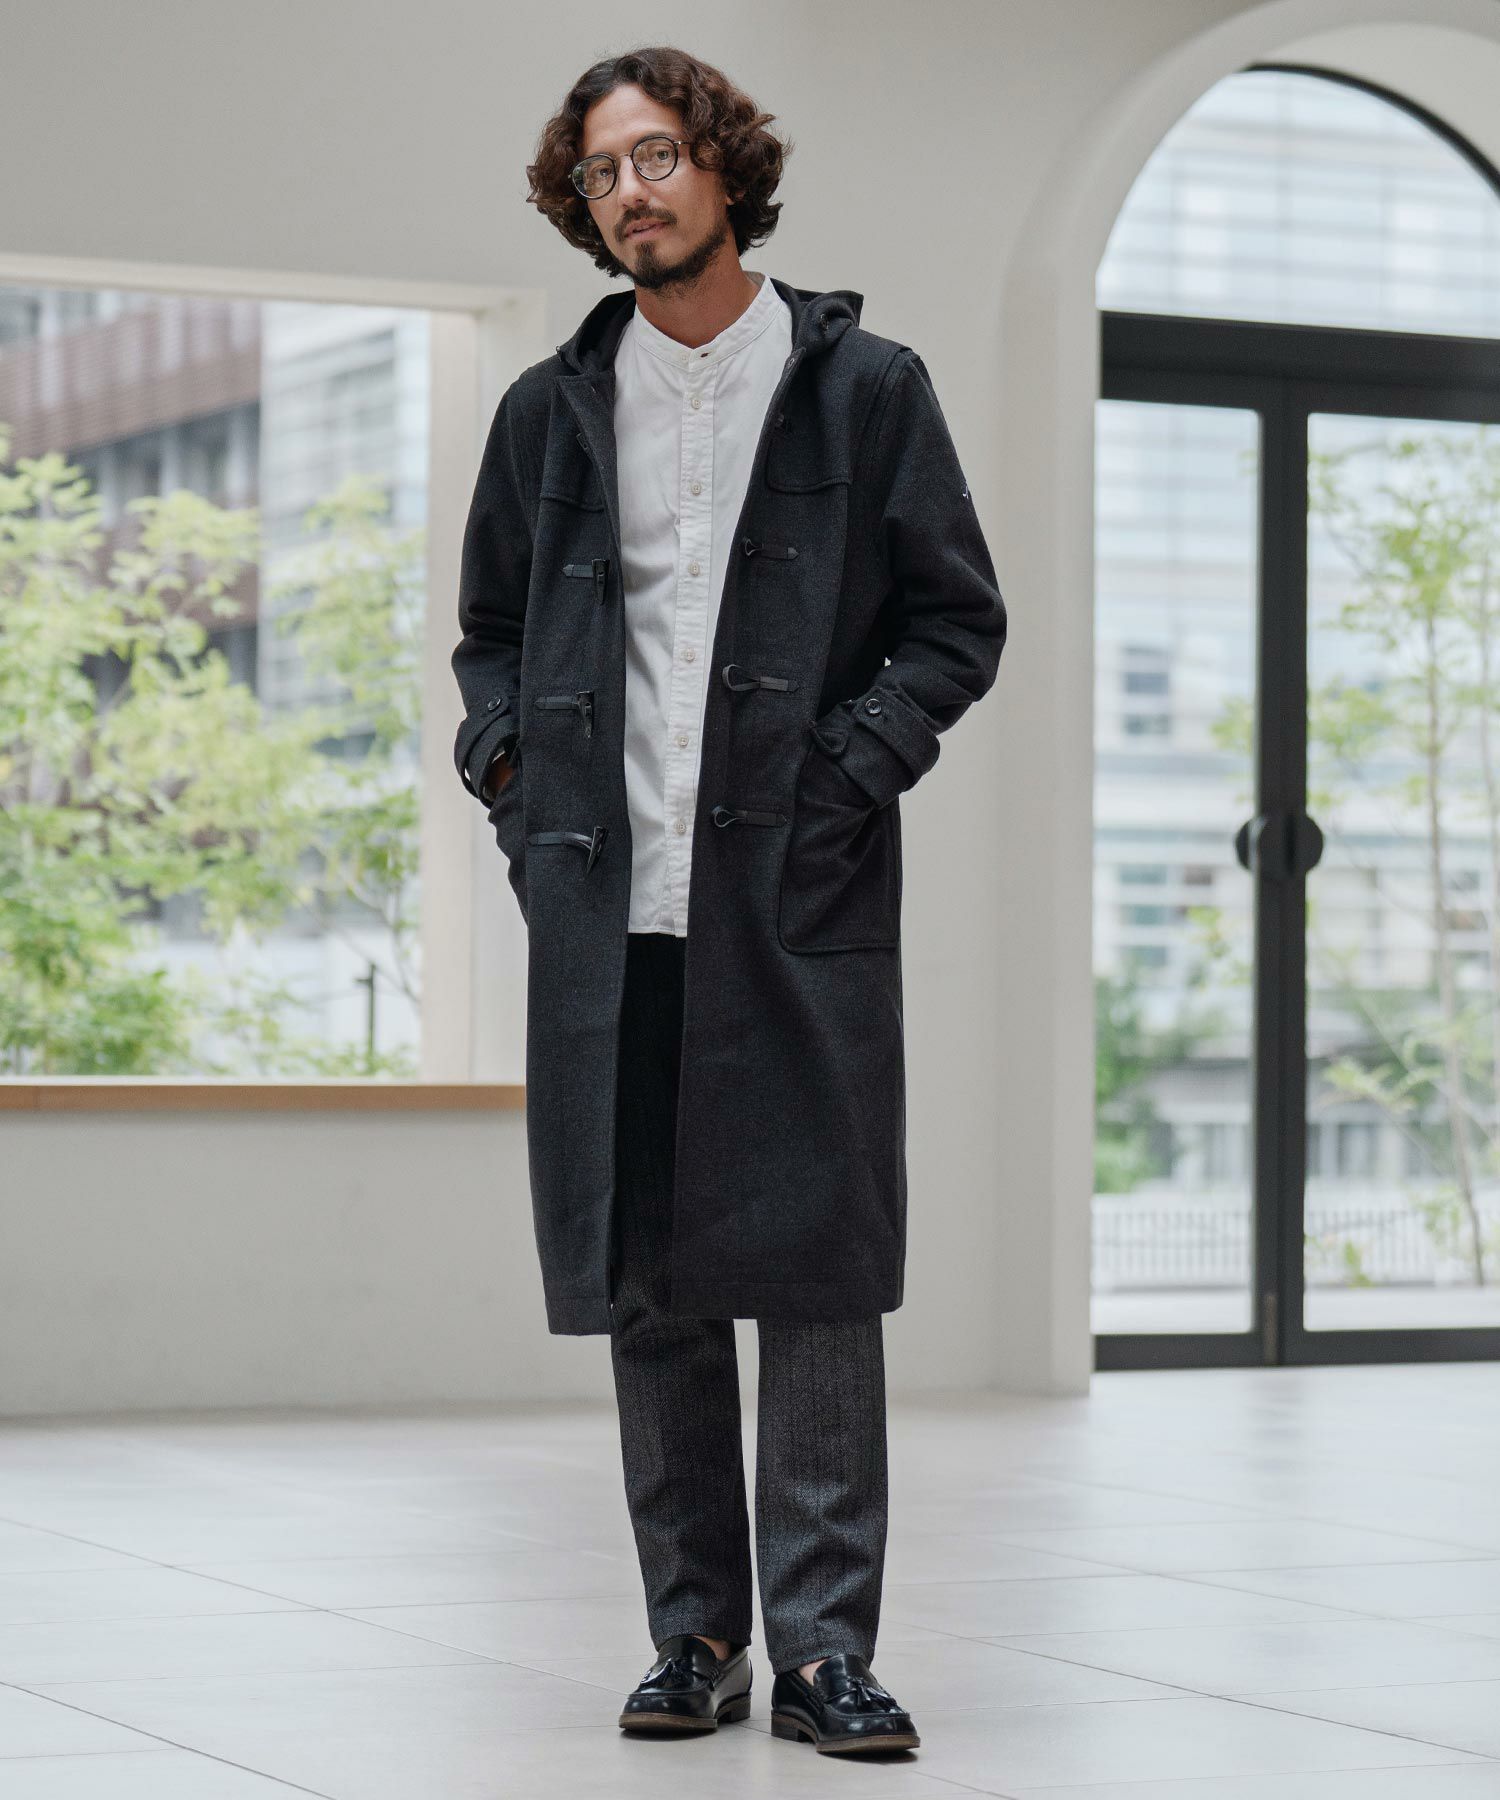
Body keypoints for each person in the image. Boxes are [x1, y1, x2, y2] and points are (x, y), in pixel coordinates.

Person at [451, 44, 1005, 1757]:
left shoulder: (867, 389)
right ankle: (693, 1636)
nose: (631, 191)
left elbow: (956, 622)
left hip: (795, 896)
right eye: (601, 171)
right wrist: (515, 783)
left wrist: (843, 778)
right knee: (653, 1280)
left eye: (657, 156)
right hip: (609, 907)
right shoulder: (548, 411)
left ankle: (827, 1652)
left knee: (820, 1272)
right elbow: (488, 638)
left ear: (724, 167)